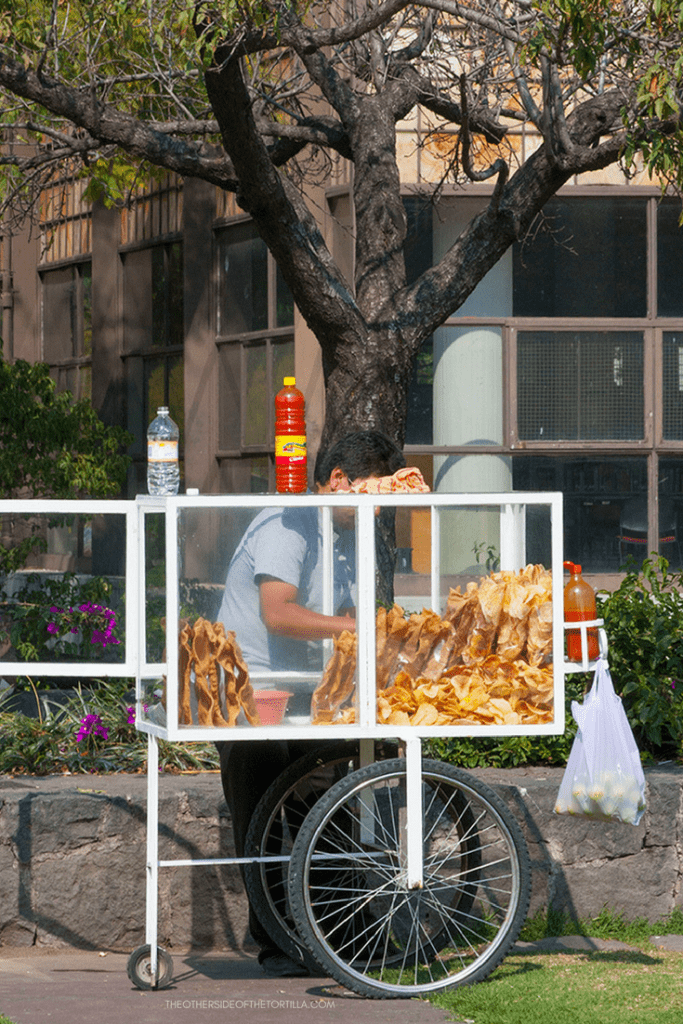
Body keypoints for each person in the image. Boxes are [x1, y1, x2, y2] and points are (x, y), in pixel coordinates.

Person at [215, 430, 405, 977]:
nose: (377, 510)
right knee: (261, 815)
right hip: (253, 691)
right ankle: (279, 941)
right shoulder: (287, 524)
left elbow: (340, 615)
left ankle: (342, 936)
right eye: (372, 494)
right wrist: (360, 629)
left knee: (330, 804)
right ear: (339, 480)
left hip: (305, 687)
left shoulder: (344, 535)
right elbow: (281, 613)